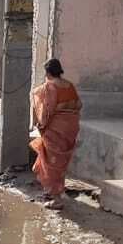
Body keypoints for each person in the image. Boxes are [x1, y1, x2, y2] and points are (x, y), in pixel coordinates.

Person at [30, 59, 83, 210]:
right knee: (60, 162)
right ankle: (53, 192)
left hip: (55, 129)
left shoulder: (49, 87)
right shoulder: (69, 85)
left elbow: (47, 111)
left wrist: (41, 124)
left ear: (47, 72)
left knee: (52, 163)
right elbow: (79, 105)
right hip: (70, 128)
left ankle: (56, 198)